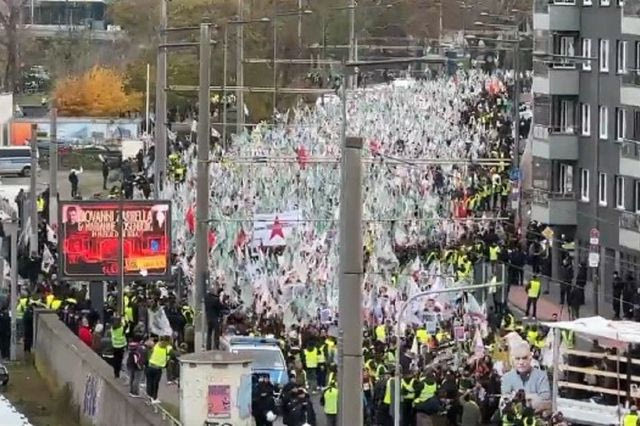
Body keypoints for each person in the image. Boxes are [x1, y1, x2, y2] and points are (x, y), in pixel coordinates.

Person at [500, 341, 551, 412]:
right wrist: (533, 397)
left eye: (524, 358)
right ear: (513, 360)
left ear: (530, 359)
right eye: (517, 359)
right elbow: (505, 402)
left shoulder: (541, 376)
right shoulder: (506, 377)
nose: (521, 362)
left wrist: (519, 397)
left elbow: (546, 401)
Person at [146, 335, 173, 404]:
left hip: (150, 366)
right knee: (155, 384)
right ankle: (154, 398)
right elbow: (171, 356)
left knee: (149, 382)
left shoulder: (157, 344)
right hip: (158, 368)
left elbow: (148, 345)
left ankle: (149, 396)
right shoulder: (169, 348)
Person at [126, 333, 146, 398]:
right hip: (137, 365)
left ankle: (131, 391)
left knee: (132, 378)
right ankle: (135, 392)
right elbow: (138, 357)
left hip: (130, 364)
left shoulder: (131, 346)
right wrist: (139, 365)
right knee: (137, 379)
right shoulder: (139, 348)